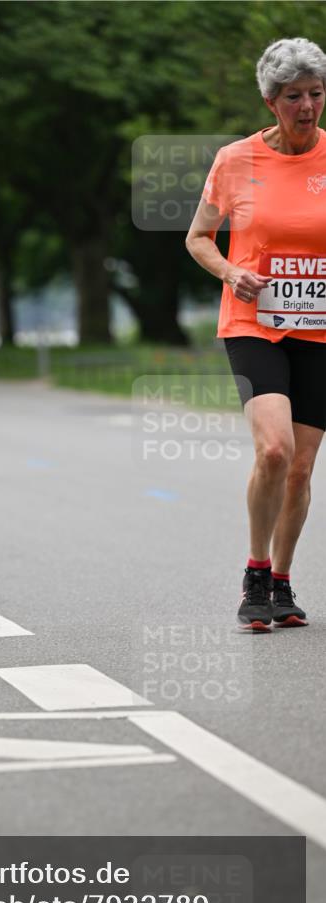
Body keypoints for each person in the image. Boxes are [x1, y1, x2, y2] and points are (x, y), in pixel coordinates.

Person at [186, 37, 326, 631]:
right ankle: (254, 572)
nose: (307, 106)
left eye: (316, 93)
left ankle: (283, 582)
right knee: (275, 450)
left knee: (301, 469)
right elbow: (197, 238)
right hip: (254, 322)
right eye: (293, 96)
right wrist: (229, 270)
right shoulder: (235, 160)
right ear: (271, 101)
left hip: (318, 329)